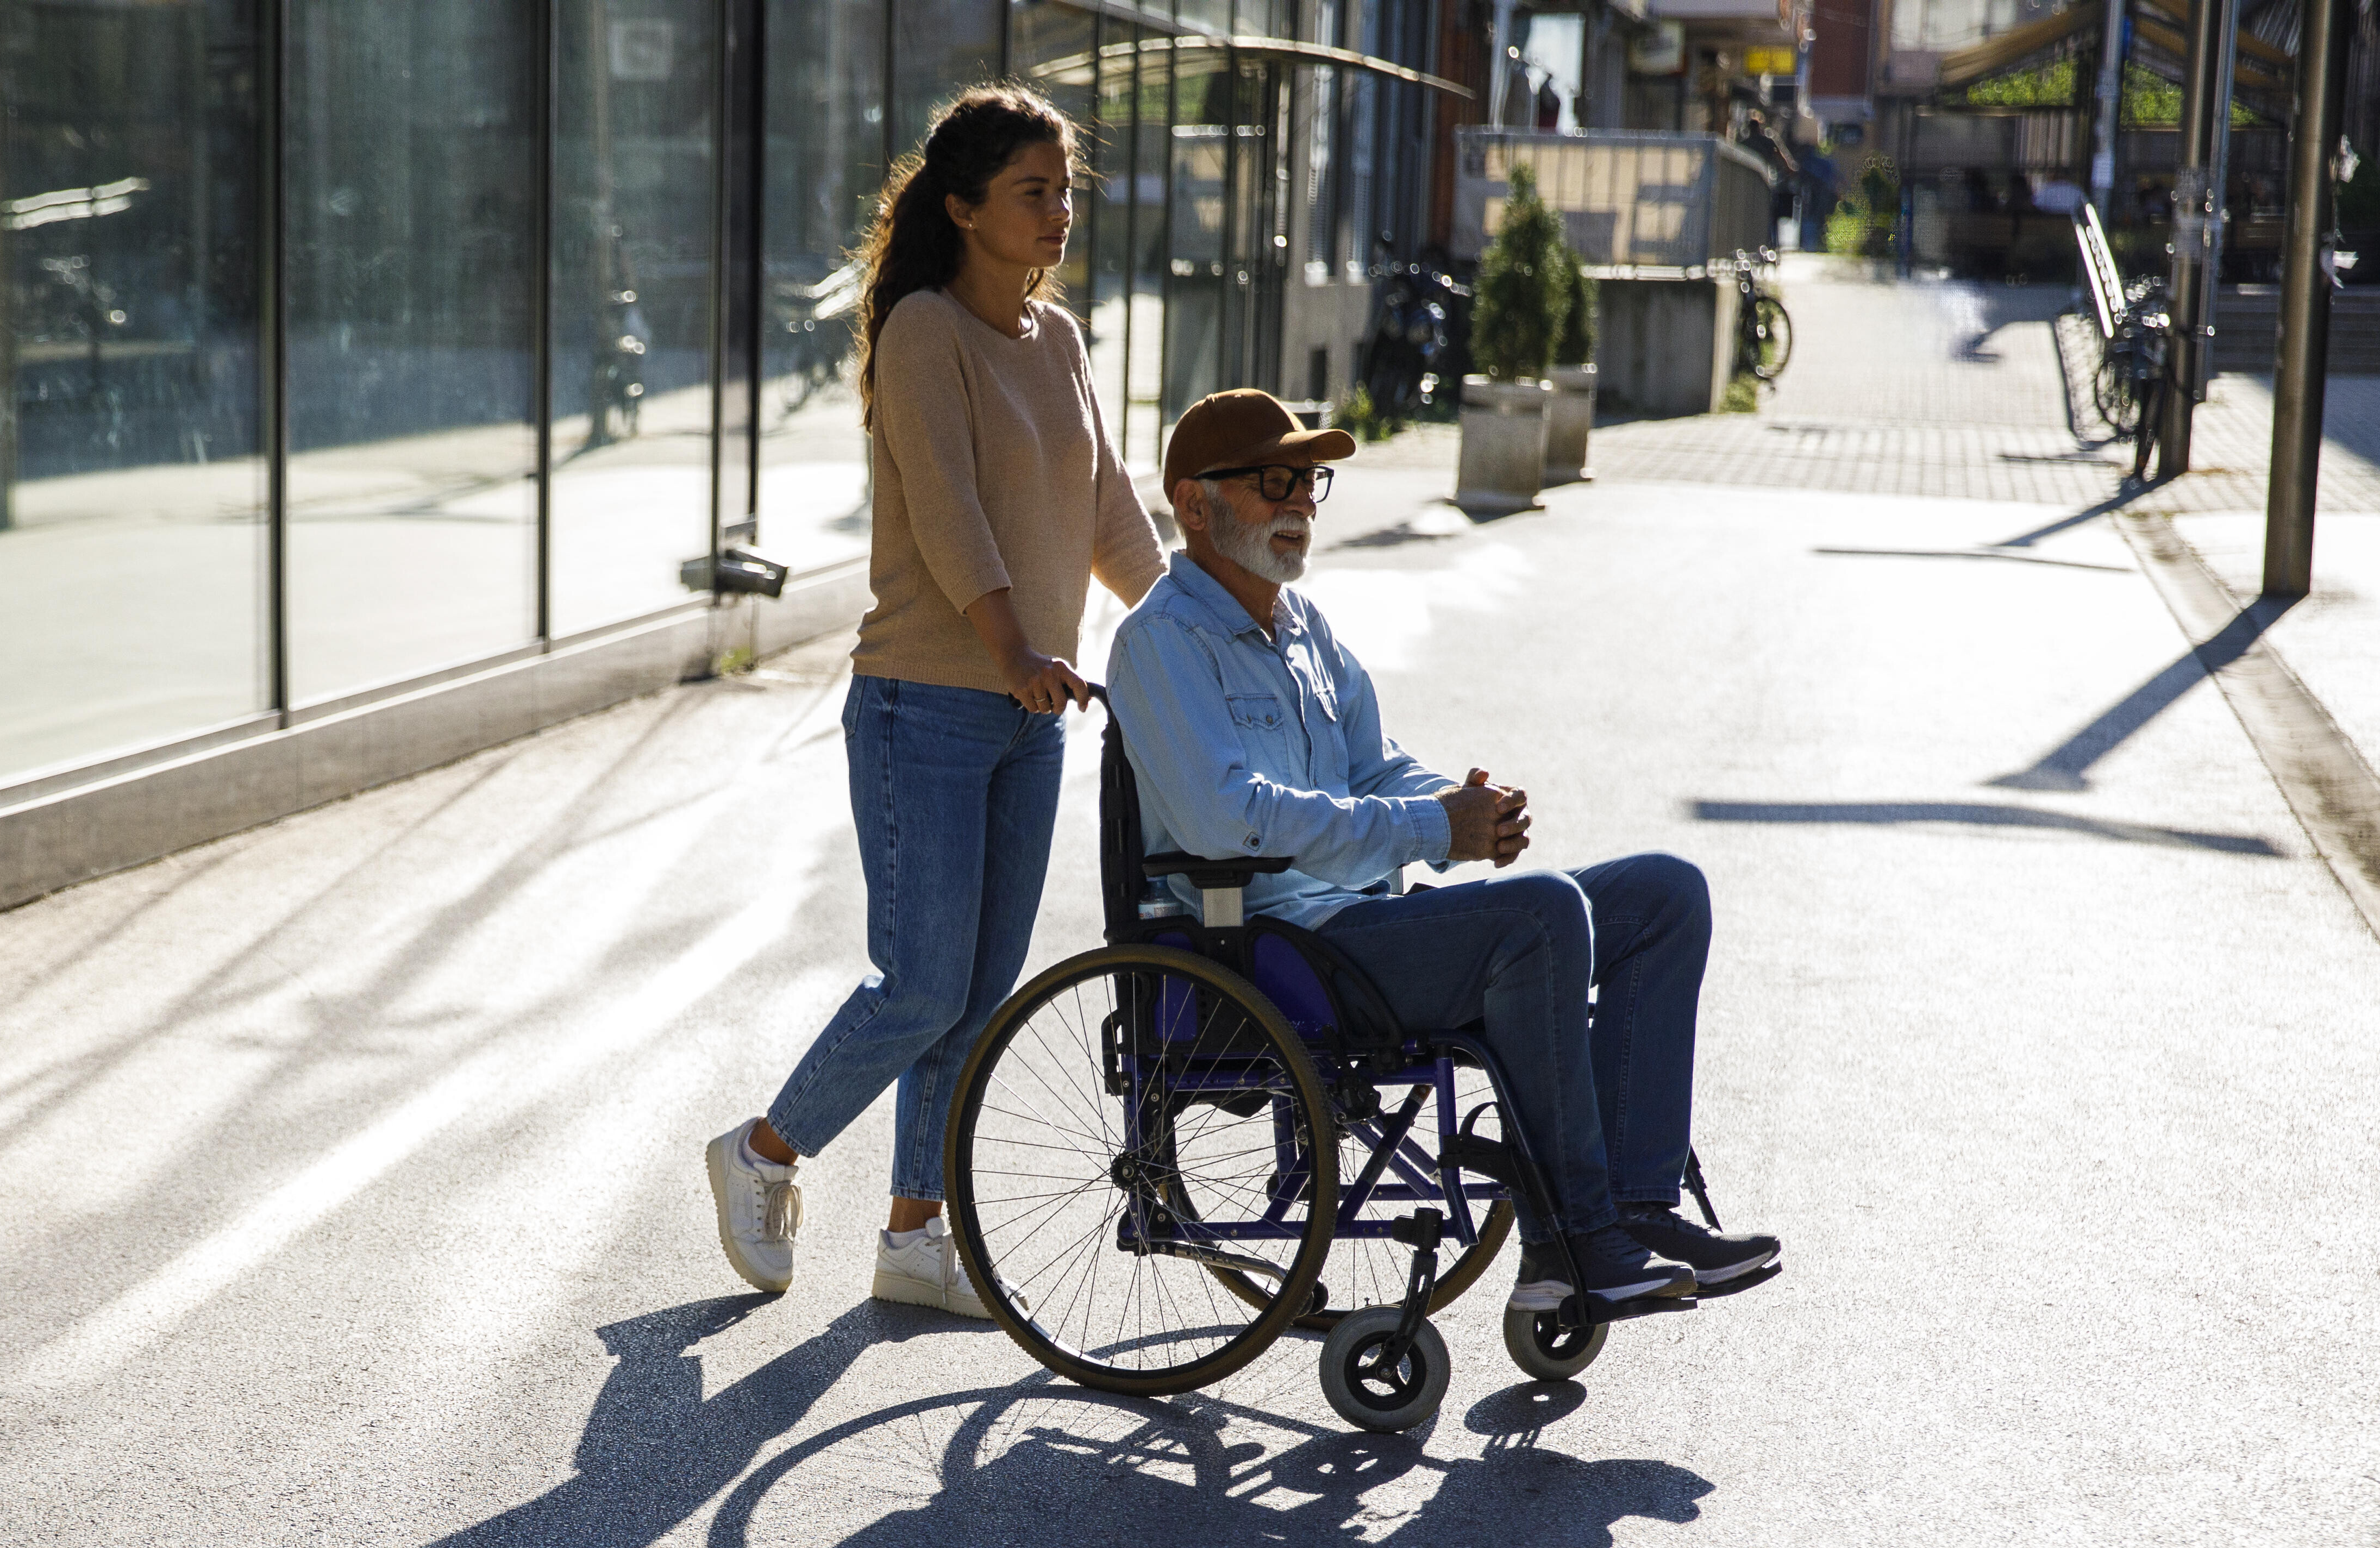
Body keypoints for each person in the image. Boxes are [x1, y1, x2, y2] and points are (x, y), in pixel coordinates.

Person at [1104, 390, 1781, 1316]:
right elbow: (1229, 821)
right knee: (1542, 917)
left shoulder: (1304, 631)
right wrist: (1432, 832)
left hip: (1361, 925)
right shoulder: (1160, 643)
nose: (1301, 501)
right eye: (1275, 482)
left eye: (1311, 482)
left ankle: (1633, 1209)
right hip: (1268, 950)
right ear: (1194, 503)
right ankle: (1577, 1240)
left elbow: (1376, 767)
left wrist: (1462, 812)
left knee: (1664, 895)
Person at [704, 86, 1165, 1315]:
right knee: (917, 985)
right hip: (928, 706)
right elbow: (952, 517)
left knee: (980, 993)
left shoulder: (1057, 340)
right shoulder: (923, 332)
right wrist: (1016, 647)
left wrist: (1183, 625)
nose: (1059, 212)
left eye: (1066, 191)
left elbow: (1103, 501)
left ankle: (916, 1236)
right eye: (1034, 193)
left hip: (1027, 717)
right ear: (963, 210)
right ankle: (762, 1153)